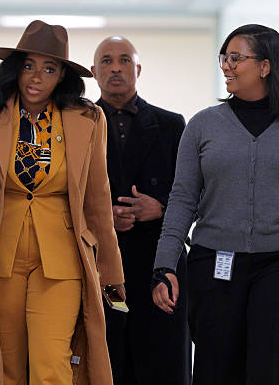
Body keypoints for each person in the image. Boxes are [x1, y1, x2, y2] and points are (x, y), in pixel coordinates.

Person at [0, 20, 125, 385]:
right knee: (6, 367)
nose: (36, 77)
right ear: (15, 68)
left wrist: (112, 271)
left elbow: (98, 199)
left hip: (61, 258)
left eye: (49, 69)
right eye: (28, 66)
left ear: (62, 76)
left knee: (51, 364)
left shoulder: (87, 119)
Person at [152, 24, 279, 384]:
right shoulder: (202, 125)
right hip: (215, 266)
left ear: (265, 66)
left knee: (272, 372)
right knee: (216, 372)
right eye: (224, 57)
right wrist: (164, 265)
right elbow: (182, 198)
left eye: (236, 58)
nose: (226, 66)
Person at [91, 36, 191, 385]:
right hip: (101, 264)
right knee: (106, 359)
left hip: (158, 263)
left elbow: (194, 192)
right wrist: (103, 216)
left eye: (124, 60)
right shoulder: (77, 125)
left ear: (138, 69)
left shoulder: (172, 125)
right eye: (106, 61)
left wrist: (160, 207)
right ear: (93, 71)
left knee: (162, 361)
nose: (116, 68)